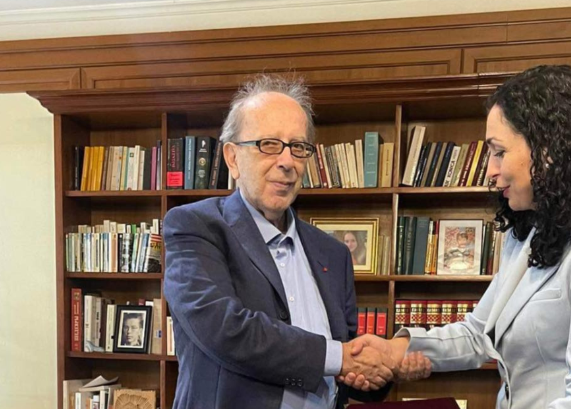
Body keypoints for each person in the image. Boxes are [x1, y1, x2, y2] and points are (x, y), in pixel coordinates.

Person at [343, 65, 571, 408]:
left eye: (499, 152)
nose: (490, 170)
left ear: (549, 149)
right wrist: (393, 351)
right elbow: (478, 334)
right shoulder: (530, 234)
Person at [163, 75, 429, 409]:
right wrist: (341, 358)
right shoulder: (195, 226)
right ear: (232, 158)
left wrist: (386, 370)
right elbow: (224, 330)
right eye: (269, 144)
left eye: (298, 147)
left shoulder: (333, 252)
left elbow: (346, 364)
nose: (287, 162)